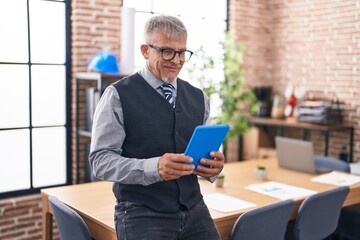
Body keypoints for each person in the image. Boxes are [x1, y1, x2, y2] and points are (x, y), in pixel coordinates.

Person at [89, 15, 225, 240]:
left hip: (194, 208)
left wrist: (213, 166)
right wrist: (155, 168)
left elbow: (203, 155)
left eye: (182, 53)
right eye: (167, 51)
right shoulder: (117, 95)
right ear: (145, 50)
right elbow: (100, 161)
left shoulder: (199, 97)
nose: (177, 60)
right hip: (140, 211)